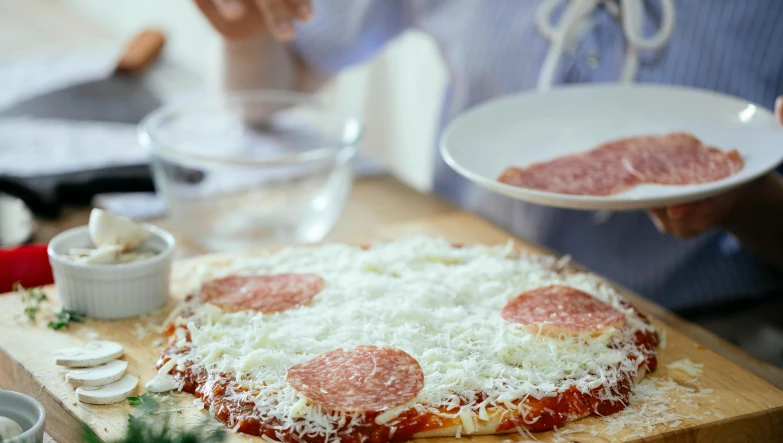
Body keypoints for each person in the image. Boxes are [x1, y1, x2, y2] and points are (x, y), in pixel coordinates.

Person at [194, 0, 783, 363]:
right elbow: (273, 89)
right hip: (465, 303)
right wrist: (244, 26)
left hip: (723, 327)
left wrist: (751, 202)